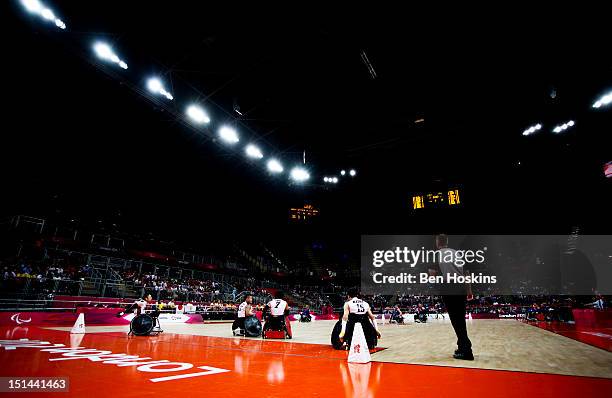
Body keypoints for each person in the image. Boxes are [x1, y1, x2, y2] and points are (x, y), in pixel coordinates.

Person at [434, 234, 474, 360]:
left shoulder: (437, 255)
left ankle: (466, 349)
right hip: (461, 287)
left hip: (449, 287)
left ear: (437, 242)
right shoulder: (457, 253)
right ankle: (462, 346)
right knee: (460, 320)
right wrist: (469, 290)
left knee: (456, 321)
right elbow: (466, 273)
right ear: (446, 242)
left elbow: (432, 275)